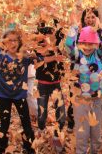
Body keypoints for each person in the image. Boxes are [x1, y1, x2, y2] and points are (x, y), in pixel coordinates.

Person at [65, 14, 102, 154]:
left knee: (96, 133)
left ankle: (95, 151)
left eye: (91, 44)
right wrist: (74, 27)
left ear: (96, 44)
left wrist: (99, 28)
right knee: (82, 133)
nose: (88, 47)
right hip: (81, 101)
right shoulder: (77, 56)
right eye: (84, 43)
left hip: (97, 100)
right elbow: (68, 44)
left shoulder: (99, 54)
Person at [34, 22, 66, 153]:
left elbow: (63, 57)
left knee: (61, 113)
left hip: (56, 85)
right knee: (42, 114)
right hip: (42, 86)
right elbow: (40, 60)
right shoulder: (38, 48)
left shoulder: (58, 46)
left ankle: (57, 136)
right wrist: (54, 57)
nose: (50, 38)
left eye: (52, 35)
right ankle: (41, 130)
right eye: (48, 35)